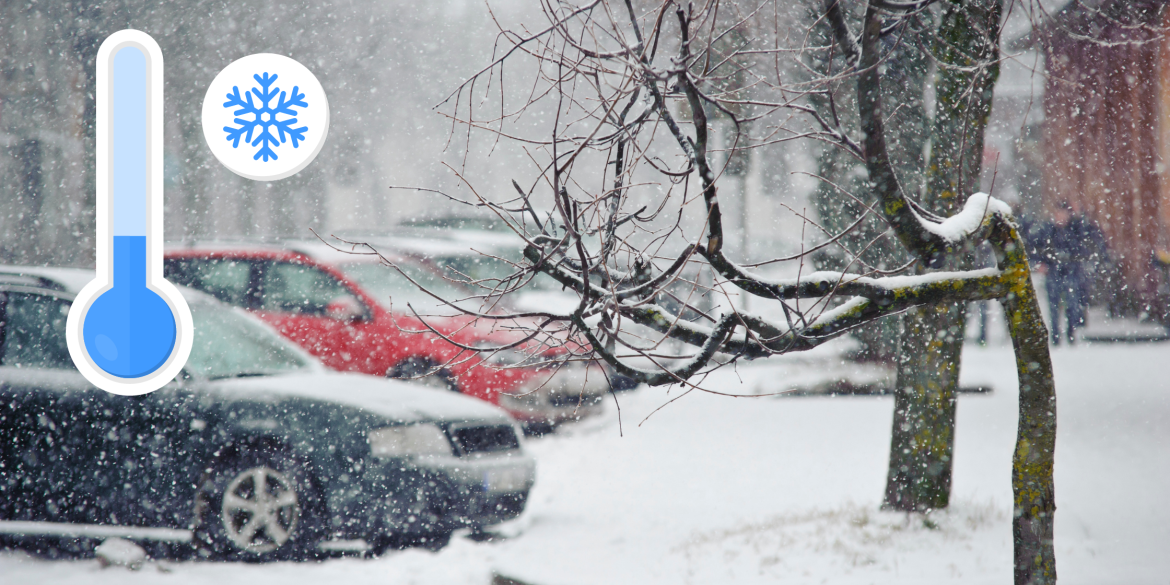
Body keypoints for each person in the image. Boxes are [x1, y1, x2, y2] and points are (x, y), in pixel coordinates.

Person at [1029, 202, 1103, 345]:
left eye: (1063, 214)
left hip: (1071, 271)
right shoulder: (1047, 230)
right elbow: (1036, 248)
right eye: (1058, 214)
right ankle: (1055, 336)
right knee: (1054, 306)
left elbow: (1089, 238)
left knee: (1072, 305)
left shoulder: (1076, 229)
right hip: (1053, 271)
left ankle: (1071, 334)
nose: (1061, 218)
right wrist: (1040, 264)